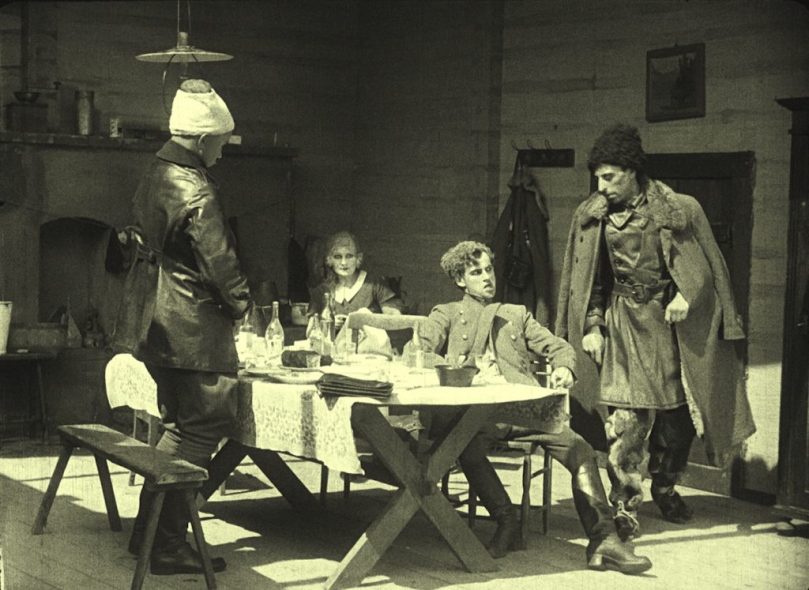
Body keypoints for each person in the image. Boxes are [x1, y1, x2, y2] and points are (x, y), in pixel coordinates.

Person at [556, 124, 755, 541]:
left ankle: (665, 487)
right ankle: (625, 504)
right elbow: (589, 280)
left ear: (631, 171)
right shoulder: (592, 217)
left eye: (609, 177)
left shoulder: (680, 209)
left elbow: (708, 266)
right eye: (597, 177)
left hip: (669, 328)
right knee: (626, 423)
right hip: (621, 325)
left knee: (678, 424)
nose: (601, 186)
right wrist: (592, 325)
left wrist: (687, 295)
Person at [408, 240, 652, 574]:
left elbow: (559, 348)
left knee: (580, 450)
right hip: (474, 415)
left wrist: (565, 367)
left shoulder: (516, 314)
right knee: (464, 445)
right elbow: (417, 353)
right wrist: (458, 370)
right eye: (476, 272)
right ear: (460, 280)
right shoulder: (446, 313)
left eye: (489, 269)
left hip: (523, 410)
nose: (486, 277)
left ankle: (604, 541)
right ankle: (507, 520)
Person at [113, 79, 251, 575]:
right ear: (202, 139)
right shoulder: (195, 187)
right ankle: (167, 546)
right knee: (202, 427)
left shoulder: (154, 173)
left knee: (177, 426)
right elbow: (220, 261)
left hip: (155, 323)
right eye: (221, 142)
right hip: (192, 330)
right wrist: (242, 305)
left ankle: (149, 537)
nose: (222, 151)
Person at [308, 230, 403, 332]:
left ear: (358, 258)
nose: (344, 263)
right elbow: (311, 330)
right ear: (329, 260)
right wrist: (329, 324)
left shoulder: (374, 284)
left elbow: (395, 319)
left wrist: (365, 320)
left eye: (349, 256)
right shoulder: (322, 291)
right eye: (337, 257)